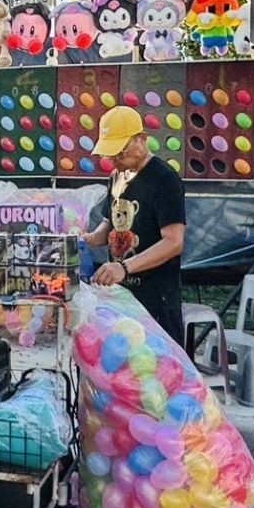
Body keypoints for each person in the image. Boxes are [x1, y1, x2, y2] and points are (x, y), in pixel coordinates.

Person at [83, 106, 187, 347]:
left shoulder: (164, 179)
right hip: (120, 296)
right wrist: (88, 238)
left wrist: (124, 267)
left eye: (120, 152)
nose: (115, 160)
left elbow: (174, 241)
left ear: (141, 139)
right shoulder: (117, 176)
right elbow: (109, 224)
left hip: (155, 298)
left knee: (155, 364)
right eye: (110, 154)